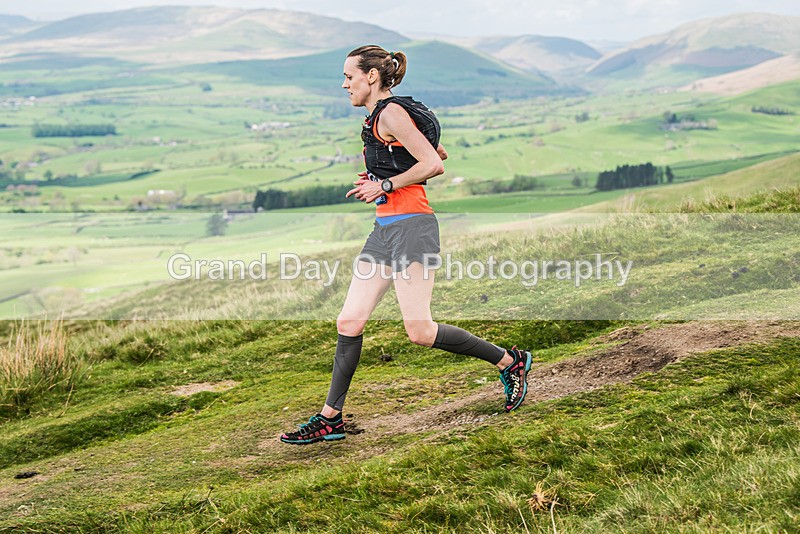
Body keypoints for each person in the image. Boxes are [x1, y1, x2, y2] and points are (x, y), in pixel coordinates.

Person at [280, 45, 531, 445]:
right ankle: (331, 418)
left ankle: (510, 361)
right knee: (349, 321)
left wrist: (385, 184)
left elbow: (434, 162)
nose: (344, 84)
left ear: (372, 77)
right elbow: (434, 149)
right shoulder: (385, 116)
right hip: (384, 230)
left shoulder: (392, 112)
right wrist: (384, 173)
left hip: (413, 228)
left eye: (349, 77)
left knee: (419, 331)